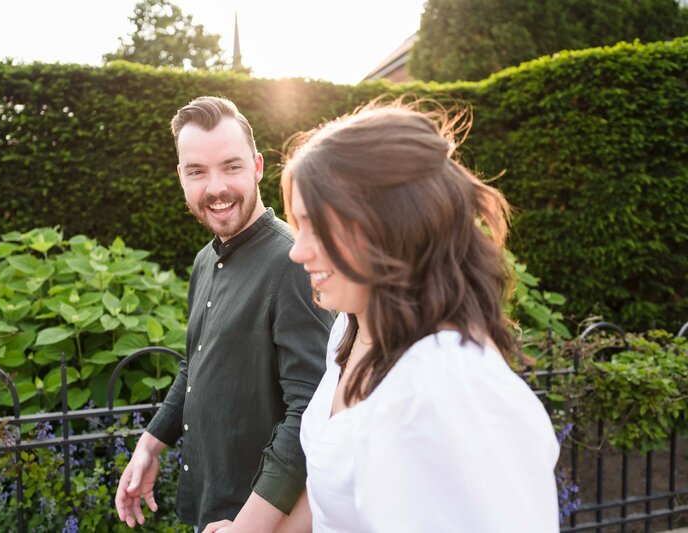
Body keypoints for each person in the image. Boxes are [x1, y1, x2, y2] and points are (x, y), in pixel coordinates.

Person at [276, 101, 559, 532]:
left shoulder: (450, 391)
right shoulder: (349, 332)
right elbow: (328, 494)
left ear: (391, 225)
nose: (297, 250)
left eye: (317, 225)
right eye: (298, 225)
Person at [114, 96, 334, 532]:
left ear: (256, 167)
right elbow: (194, 365)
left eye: (231, 167)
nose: (215, 188)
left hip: (262, 520)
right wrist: (151, 443)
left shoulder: (292, 263)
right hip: (210, 512)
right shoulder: (203, 261)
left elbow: (309, 413)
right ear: (181, 177)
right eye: (197, 171)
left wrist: (250, 526)